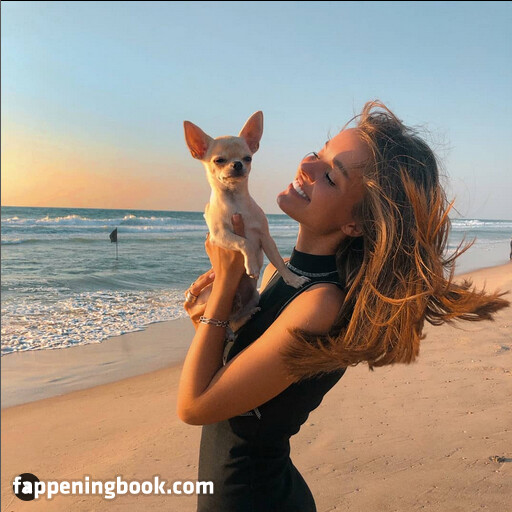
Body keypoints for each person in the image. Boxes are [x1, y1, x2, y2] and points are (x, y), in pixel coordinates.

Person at [177, 101, 510, 512]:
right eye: (317, 153)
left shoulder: (320, 303)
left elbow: (194, 406)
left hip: (252, 498)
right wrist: (215, 317)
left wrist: (226, 285)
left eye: (330, 177)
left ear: (356, 223)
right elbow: (235, 379)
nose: (306, 167)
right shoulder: (285, 272)